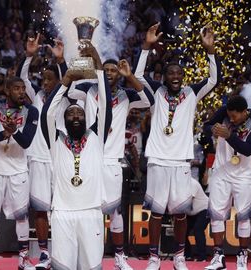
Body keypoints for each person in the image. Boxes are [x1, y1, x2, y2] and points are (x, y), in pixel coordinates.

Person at [133, 22, 219, 270]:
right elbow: (138, 76)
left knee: (181, 213)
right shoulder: (155, 94)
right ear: (164, 76)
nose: (175, 77)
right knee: (157, 213)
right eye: (171, 73)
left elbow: (214, 80)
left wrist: (210, 51)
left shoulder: (192, 93)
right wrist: (146, 47)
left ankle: (179, 256)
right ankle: (153, 257)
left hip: (181, 161)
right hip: (158, 159)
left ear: (183, 77)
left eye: (178, 74)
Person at [68, 55, 153, 269]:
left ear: (119, 74)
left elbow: (148, 101)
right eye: (105, 69)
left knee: (116, 212)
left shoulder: (127, 95)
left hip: (113, 161)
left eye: (113, 70)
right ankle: (88, 255)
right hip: (89, 157)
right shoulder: (89, 89)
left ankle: (119, 257)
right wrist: (86, 65)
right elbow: (70, 91)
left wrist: (130, 75)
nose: (108, 73)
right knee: (87, 210)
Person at [41, 45, 112, 269]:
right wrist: (66, 80)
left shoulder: (96, 136)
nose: (75, 116)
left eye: (79, 113)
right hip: (62, 213)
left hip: (91, 212)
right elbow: (48, 112)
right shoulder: (56, 140)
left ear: (86, 117)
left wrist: (98, 63)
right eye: (70, 113)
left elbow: (106, 104)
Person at [17, 34, 67, 269]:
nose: (45, 83)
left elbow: (72, 81)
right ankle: (45, 253)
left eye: (50, 79)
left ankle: (61, 250)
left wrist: (61, 60)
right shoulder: (36, 97)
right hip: (37, 159)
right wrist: (29, 55)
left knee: (60, 208)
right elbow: (21, 78)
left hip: (60, 160)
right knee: (40, 209)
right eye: (44, 79)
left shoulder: (67, 98)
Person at [0, 76, 39, 270]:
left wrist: (14, 132)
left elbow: (27, 142)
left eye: (23, 88)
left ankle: (23, 258)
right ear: (7, 90)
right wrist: (3, 134)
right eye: (16, 88)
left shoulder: (31, 111)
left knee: (22, 217)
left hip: (18, 169)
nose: (21, 92)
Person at [203, 96, 251, 270]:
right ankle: (218, 257)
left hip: (242, 175)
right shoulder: (224, 111)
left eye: (235, 117)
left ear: (245, 112)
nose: (231, 119)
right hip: (221, 171)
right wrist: (212, 130)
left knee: (244, 217)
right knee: (216, 215)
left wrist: (228, 135)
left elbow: (247, 150)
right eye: (229, 116)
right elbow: (206, 126)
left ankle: (242, 257)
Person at [184, 178, 209, 262]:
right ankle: (187, 255)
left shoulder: (192, 183)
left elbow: (188, 201)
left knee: (198, 229)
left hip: (204, 209)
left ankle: (202, 257)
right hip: (191, 212)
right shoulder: (177, 184)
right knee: (182, 231)